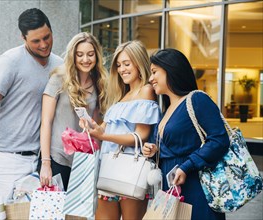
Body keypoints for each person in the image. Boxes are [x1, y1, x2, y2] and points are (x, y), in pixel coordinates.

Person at [0, 8, 63, 200]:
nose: (44, 44)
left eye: (47, 37)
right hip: (4, 159)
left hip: (37, 161)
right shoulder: (9, 62)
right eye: (36, 41)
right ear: (23, 38)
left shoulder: (60, 66)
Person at [142, 48, 230, 220]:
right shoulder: (166, 109)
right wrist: (153, 151)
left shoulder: (196, 99)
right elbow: (172, 148)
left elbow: (219, 139)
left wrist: (187, 166)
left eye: (154, 72)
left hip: (196, 187)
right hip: (171, 189)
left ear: (171, 70)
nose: (150, 78)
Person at [80, 40, 161, 219]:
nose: (122, 69)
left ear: (139, 63)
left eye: (127, 63)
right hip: (108, 167)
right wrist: (89, 124)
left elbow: (140, 135)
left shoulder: (146, 90)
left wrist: (105, 136)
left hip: (130, 168)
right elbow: (104, 129)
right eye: (118, 65)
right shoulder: (121, 95)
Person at [38, 32, 108, 190]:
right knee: (54, 212)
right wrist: (45, 163)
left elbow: (95, 127)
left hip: (83, 161)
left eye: (90, 54)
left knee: (77, 214)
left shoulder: (98, 83)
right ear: (73, 56)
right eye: (80, 55)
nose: (85, 59)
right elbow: (46, 122)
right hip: (57, 158)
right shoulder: (58, 79)